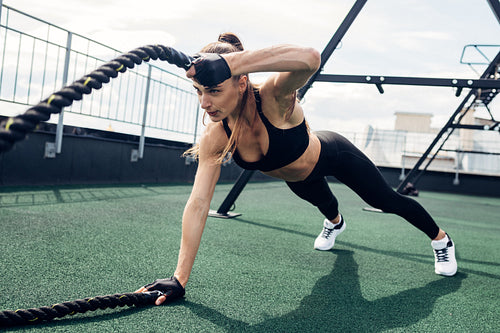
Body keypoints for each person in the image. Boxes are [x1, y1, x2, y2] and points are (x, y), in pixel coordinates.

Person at [135, 33, 457, 305]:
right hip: (299, 178)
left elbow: (310, 58)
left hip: (333, 154)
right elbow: (199, 203)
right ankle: (335, 223)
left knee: (386, 201)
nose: (204, 103)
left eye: (214, 90)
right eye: (199, 91)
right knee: (328, 208)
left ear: (242, 82)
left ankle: (441, 240)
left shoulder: (273, 98)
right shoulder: (216, 136)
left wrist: (232, 63)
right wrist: (179, 279)